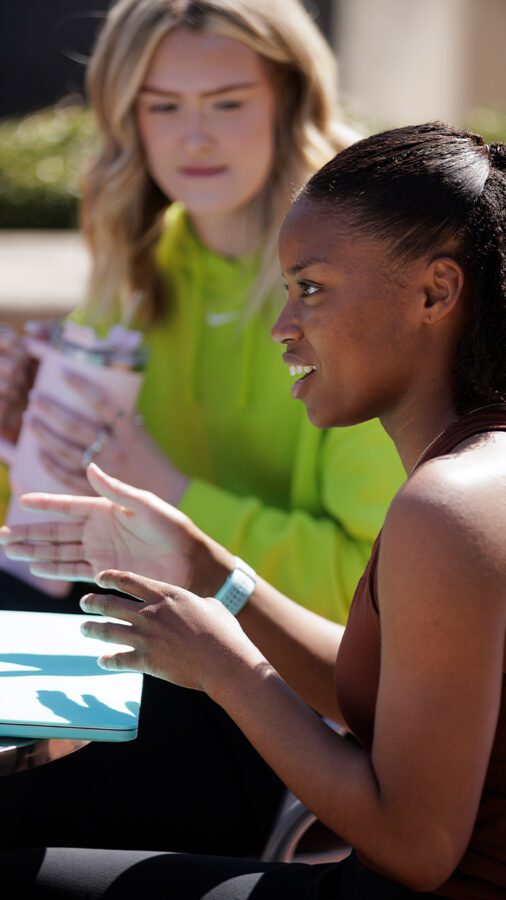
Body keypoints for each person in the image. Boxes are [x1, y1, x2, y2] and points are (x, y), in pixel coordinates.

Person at [2, 121, 506, 899]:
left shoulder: (454, 507)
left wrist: (224, 664)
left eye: (310, 288)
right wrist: (206, 569)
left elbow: (417, 849)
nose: (283, 327)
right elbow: (380, 698)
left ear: (436, 291)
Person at [0, 0, 403, 856]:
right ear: (127, 116)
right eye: (162, 105)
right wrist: (20, 442)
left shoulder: (352, 286)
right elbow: (50, 552)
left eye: (226, 102)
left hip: (284, 714)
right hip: (144, 652)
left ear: (288, 102)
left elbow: (378, 594)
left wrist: (171, 494)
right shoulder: (141, 255)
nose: (195, 137)